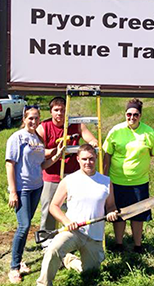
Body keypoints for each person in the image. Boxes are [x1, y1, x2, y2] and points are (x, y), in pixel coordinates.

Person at [36, 144, 118, 286]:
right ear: (78, 159)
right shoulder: (69, 180)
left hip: (94, 235)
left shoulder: (106, 181)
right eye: (84, 159)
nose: (88, 162)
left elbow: (110, 206)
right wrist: (67, 222)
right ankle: (43, 283)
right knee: (52, 250)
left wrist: (111, 213)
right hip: (73, 231)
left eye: (91, 159)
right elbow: (54, 206)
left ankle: (70, 260)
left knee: (90, 273)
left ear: (96, 158)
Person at [5, 105, 64, 284]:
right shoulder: (17, 137)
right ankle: (14, 267)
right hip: (22, 189)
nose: (33, 121)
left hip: (37, 187)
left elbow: (41, 166)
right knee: (24, 226)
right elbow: (10, 164)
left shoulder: (37, 139)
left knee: (27, 224)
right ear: (24, 119)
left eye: (37, 118)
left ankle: (20, 260)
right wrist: (13, 191)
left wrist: (57, 156)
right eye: (30, 118)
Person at [103, 98, 154, 253]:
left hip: (139, 181)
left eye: (135, 114)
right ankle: (119, 244)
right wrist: (104, 176)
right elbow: (107, 154)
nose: (132, 117)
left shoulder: (149, 133)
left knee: (138, 215)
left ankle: (138, 245)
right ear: (125, 114)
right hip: (117, 180)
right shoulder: (115, 131)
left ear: (140, 116)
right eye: (129, 114)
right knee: (119, 213)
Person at [36, 97, 98, 243]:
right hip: (52, 174)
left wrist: (93, 143)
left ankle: (76, 238)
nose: (60, 113)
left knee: (76, 207)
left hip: (73, 175)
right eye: (56, 110)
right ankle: (47, 240)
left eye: (63, 110)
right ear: (51, 111)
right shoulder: (44, 127)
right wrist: (55, 152)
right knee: (49, 208)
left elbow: (91, 139)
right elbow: (37, 151)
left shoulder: (76, 124)